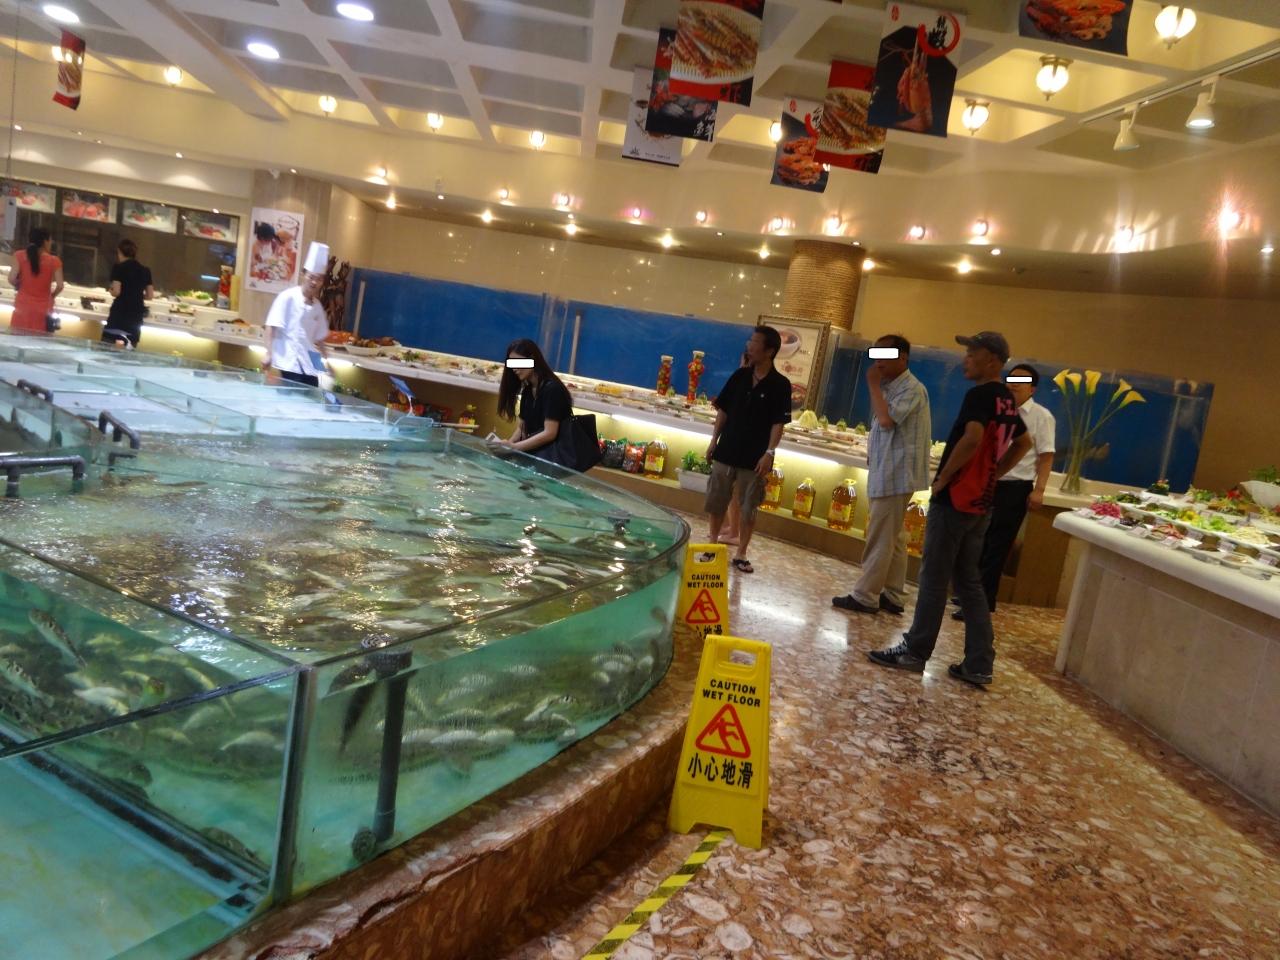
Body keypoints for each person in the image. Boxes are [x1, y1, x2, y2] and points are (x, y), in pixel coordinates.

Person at [868, 331, 1031, 687]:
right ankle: (979, 663)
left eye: (972, 353)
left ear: (992, 359)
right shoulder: (1006, 399)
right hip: (981, 502)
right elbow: (1023, 442)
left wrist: (944, 479)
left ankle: (915, 651)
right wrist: (994, 474)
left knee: (934, 579)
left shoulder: (980, 395)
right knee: (969, 581)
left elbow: (972, 438)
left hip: (956, 499)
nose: (965, 359)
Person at [833, 334, 931, 615]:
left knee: (880, 536)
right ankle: (893, 594)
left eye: (885, 356)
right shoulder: (891, 386)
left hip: (896, 473)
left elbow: (887, 421)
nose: (878, 362)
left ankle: (865, 596)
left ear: (903, 357)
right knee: (894, 536)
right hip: (888, 470)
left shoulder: (912, 388)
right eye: (875, 355)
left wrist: (873, 384)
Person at [953, 364, 1057, 622]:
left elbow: (1046, 456)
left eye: (1022, 380)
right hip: (990, 482)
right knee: (978, 540)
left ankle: (983, 602)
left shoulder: (1042, 416)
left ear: (1033, 388)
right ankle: (970, 595)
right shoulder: (1000, 409)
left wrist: (1039, 490)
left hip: (1015, 487)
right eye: (1011, 378)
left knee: (997, 546)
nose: (1014, 383)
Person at [705, 326, 792, 574]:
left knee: (748, 506)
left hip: (755, 457)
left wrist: (770, 453)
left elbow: (778, 423)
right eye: (750, 341)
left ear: (769, 351)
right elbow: (723, 412)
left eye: (754, 342)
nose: (749, 346)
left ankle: (741, 553)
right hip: (727, 449)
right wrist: (713, 441)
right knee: (717, 499)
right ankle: (712, 544)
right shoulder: (739, 376)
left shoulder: (780, 385)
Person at [262, 241, 329, 387]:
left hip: (309, 367)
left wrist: (327, 363)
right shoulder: (287, 297)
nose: (314, 282)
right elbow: (271, 326)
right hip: (287, 363)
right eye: (311, 277)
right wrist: (268, 353)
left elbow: (318, 340)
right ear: (303, 274)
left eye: (319, 279)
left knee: (311, 396)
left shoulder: (318, 307)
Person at [495, 338, 572, 459]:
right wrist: (508, 446)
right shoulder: (528, 390)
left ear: (532, 358)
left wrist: (514, 447)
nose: (514, 369)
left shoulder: (553, 389)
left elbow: (550, 433)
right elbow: (522, 428)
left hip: (554, 460)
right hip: (537, 458)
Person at [718, 350, 752, 547]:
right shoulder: (742, 379)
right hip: (735, 443)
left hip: (740, 447)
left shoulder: (745, 379)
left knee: (736, 493)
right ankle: (729, 528)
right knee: (731, 492)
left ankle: (734, 532)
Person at [7, 227, 64, 334]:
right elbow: (60, 285)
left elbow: (11, 278)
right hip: (43, 309)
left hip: (22, 306)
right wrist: (52, 296)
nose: (51, 243)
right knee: (39, 341)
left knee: (17, 339)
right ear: (45, 241)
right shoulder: (55, 261)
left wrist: (20, 286)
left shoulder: (19, 255)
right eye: (50, 240)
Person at [102, 238, 154, 348]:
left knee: (106, 347)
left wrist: (111, 290)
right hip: (135, 314)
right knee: (129, 349)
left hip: (119, 313)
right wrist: (136, 294)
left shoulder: (118, 267)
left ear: (119, 251)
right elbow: (150, 296)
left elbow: (116, 292)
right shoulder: (145, 270)